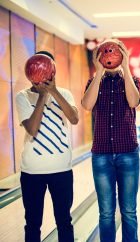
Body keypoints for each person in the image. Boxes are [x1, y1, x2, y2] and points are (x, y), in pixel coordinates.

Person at [81, 39, 140, 242]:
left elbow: (133, 101)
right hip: (101, 154)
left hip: (128, 152)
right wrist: (98, 71)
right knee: (106, 212)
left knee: (129, 211)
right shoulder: (94, 82)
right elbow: (87, 105)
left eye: (115, 51)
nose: (109, 54)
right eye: (105, 52)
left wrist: (126, 66)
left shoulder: (133, 80)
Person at [16, 51, 78, 242]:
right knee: (33, 223)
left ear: (52, 71)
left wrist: (54, 91)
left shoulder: (64, 93)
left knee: (64, 221)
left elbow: (74, 118)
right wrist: (42, 96)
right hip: (32, 173)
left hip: (62, 170)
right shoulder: (22, 97)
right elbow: (33, 130)